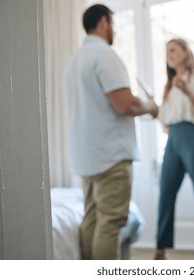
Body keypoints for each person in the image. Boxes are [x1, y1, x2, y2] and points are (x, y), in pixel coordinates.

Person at [62, 4, 158, 260]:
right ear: (104, 22)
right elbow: (125, 103)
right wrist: (150, 107)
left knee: (92, 219)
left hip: (86, 156)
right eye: (113, 24)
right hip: (110, 155)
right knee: (111, 223)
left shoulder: (73, 62)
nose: (114, 30)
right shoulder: (105, 56)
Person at [154, 38, 194, 260]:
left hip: (193, 136)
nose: (169, 54)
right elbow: (164, 120)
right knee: (165, 193)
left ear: (185, 52)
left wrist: (187, 91)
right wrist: (156, 107)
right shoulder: (168, 85)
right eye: (166, 51)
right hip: (173, 139)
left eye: (172, 49)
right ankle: (160, 249)